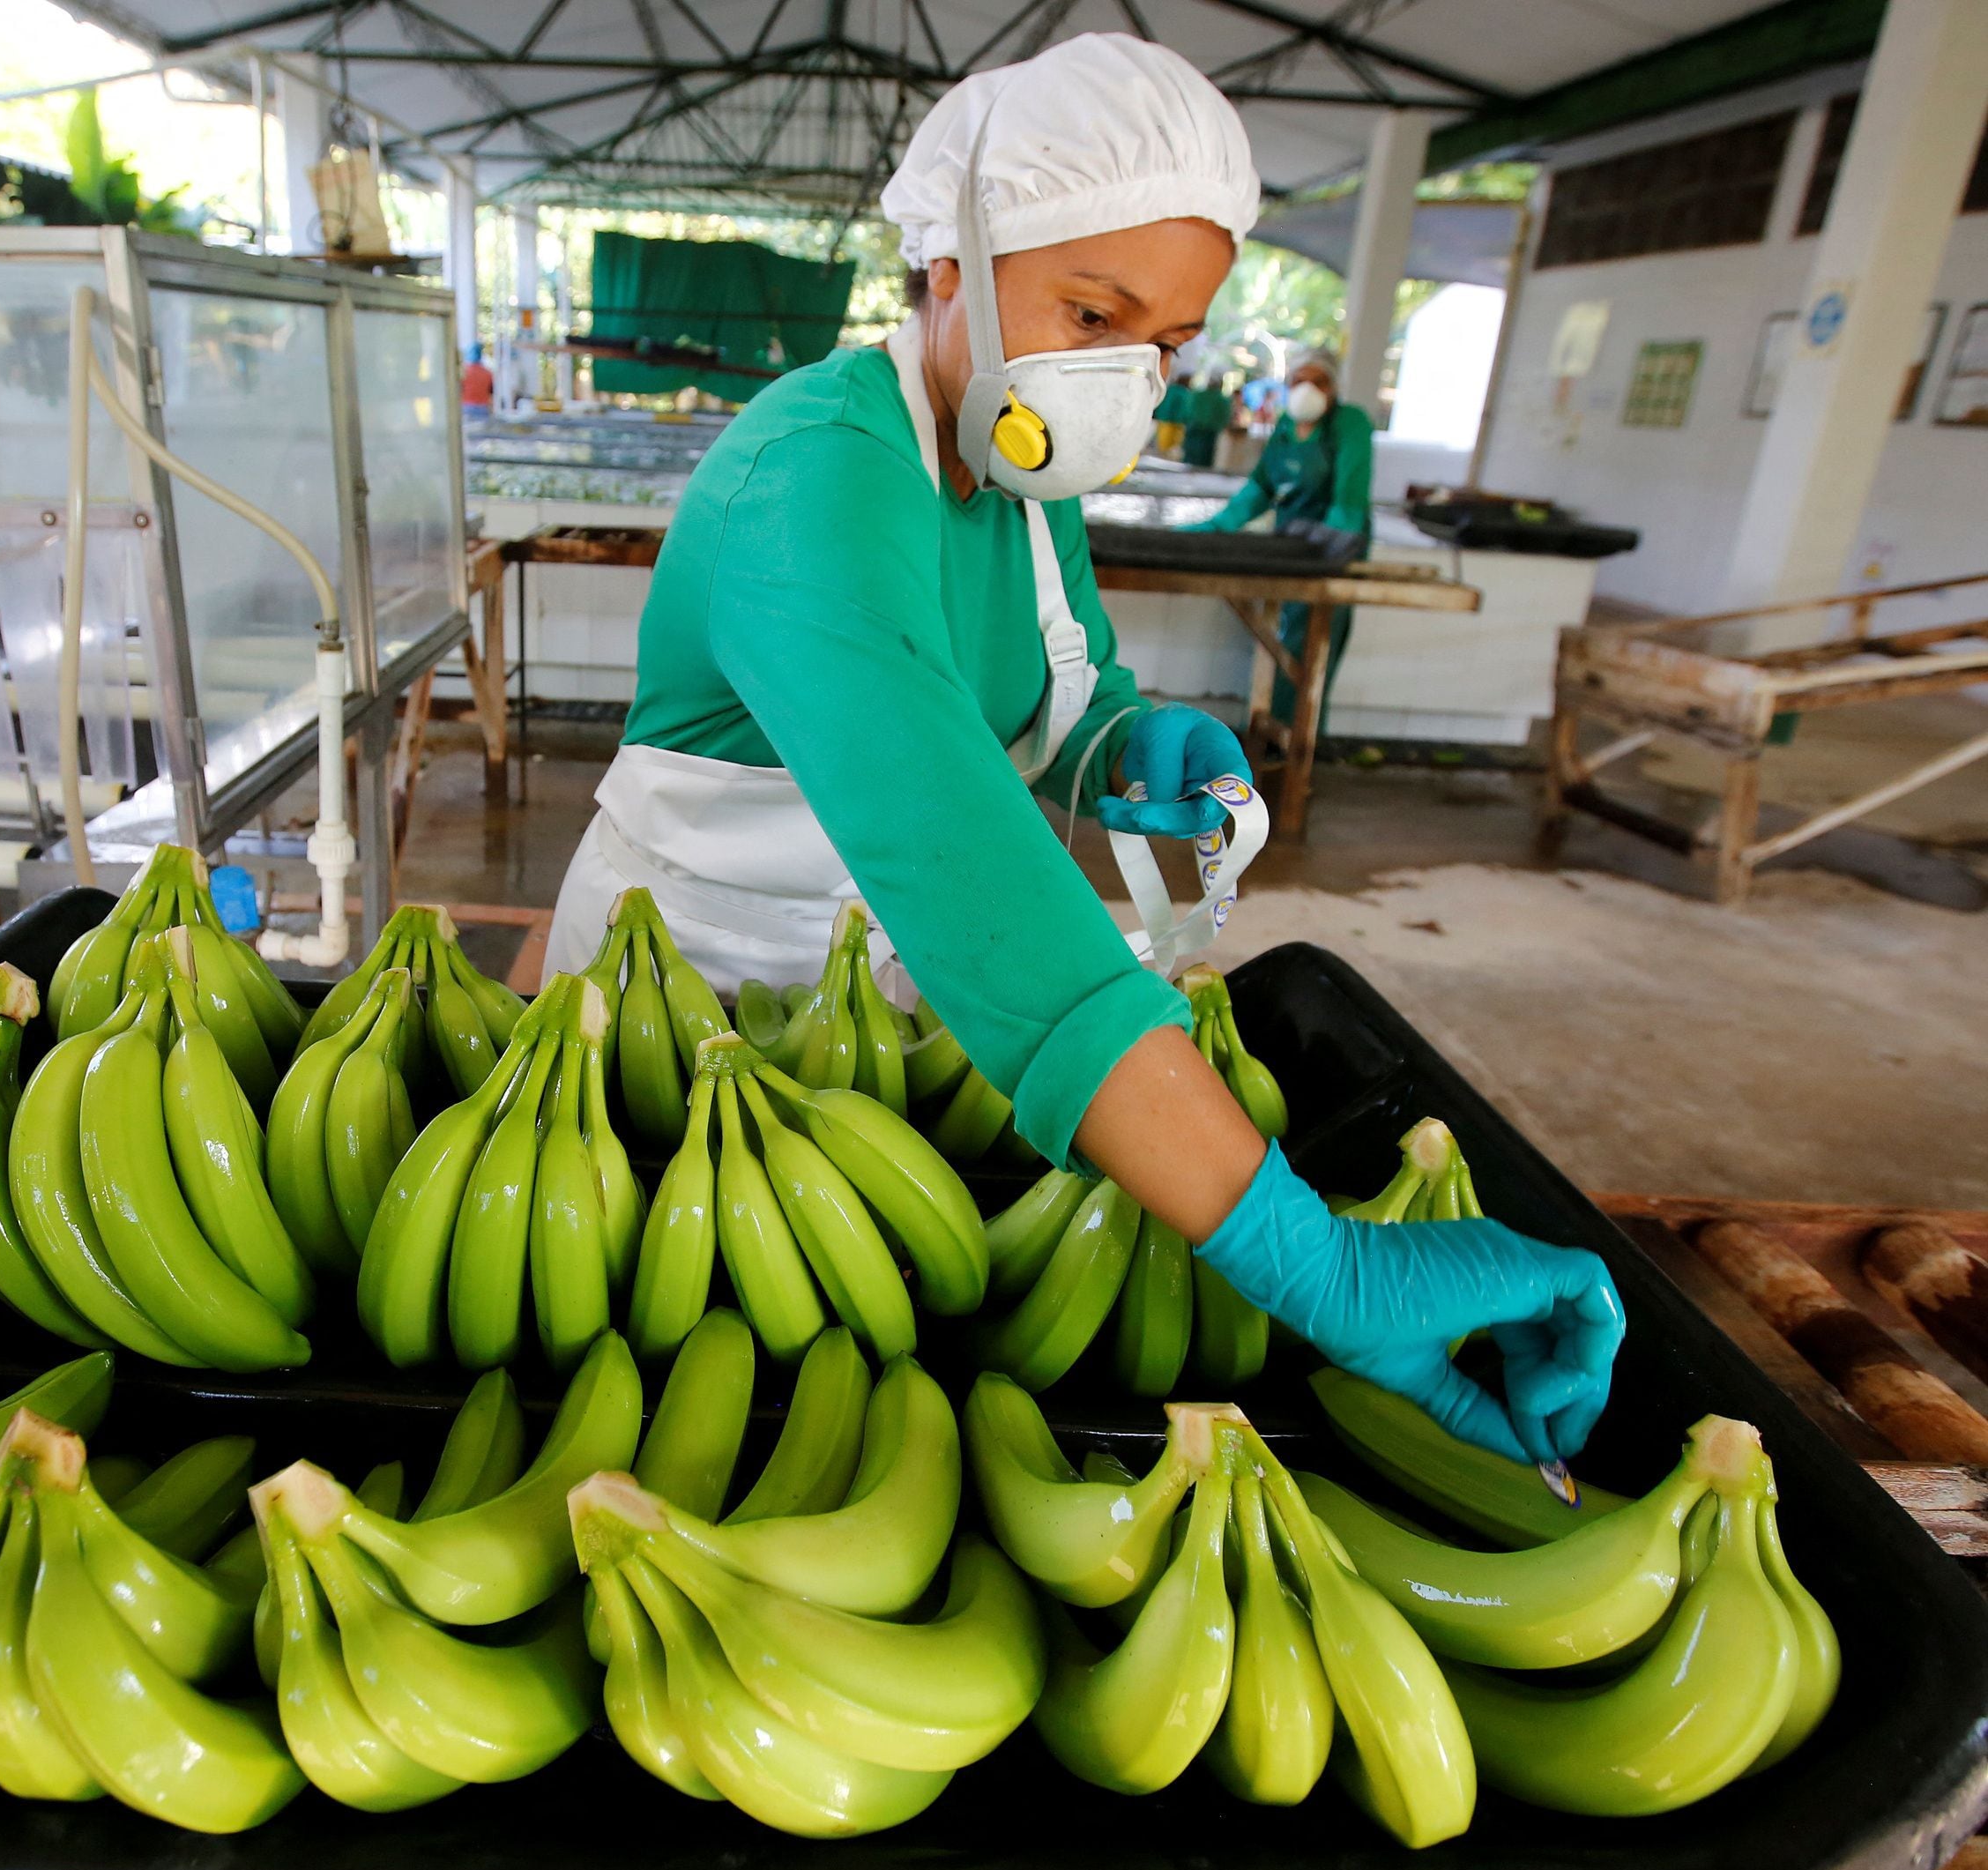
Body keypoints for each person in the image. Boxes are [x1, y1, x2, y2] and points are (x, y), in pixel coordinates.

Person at [544, 33, 1619, 1464]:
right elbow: (966, 858)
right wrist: (1316, 1261)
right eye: (1091, 308)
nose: (1130, 372)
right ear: (952, 269)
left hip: (889, 975)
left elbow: (1059, 690)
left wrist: (1126, 741)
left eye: (1164, 343)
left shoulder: (1015, 464)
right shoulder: (812, 474)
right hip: (695, 979)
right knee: (691, 1354)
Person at [1190, 348, 1374, 729]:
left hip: (1332, 548)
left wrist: (1334, 543)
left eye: (1318, 382)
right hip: (1290, 546)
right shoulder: (1286, 428)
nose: (1307, 389)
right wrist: (1219, 526)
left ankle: (1298, 739)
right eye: (1298, 381)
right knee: (1282, 642)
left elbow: (1349, 495)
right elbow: (1261, 487)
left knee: (1311, 649)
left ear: (1334, 388)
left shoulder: (1350, 423)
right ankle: (1273, 735)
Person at [458, 342, 494, 417]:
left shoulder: (464, 372)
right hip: (483, 408)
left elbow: (459, 389)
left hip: (466, 407)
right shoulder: (488, 373)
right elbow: (491, 392)